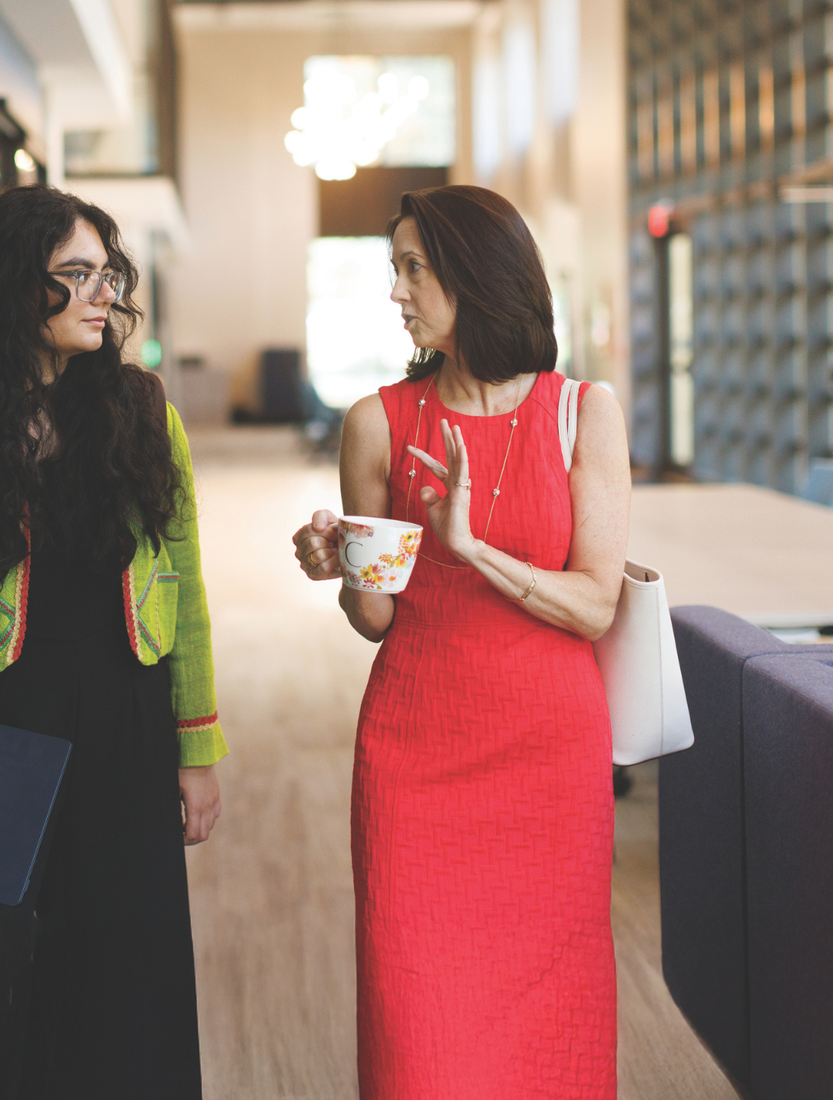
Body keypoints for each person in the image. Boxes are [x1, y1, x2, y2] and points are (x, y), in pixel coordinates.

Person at [0, 186, 227, 1099]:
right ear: (13, 289)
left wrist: (197, 747)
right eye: (75, 276)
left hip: (123, 727)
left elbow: (185, 591)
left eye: (108, 274)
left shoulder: (143, 412)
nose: (102, 295)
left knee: (121, 978)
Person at [291, 185, 631, 1097]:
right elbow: (377, 620)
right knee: (416, 1023)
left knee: (553, 1009)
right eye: (393, 270)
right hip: (416, 757)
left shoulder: (581, 414)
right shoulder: (378, 423)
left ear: (476, 275)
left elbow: (596, 606)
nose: (396, 292)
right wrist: (343, 567)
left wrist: (472, 548)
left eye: (413, 269)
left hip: (549, 759)